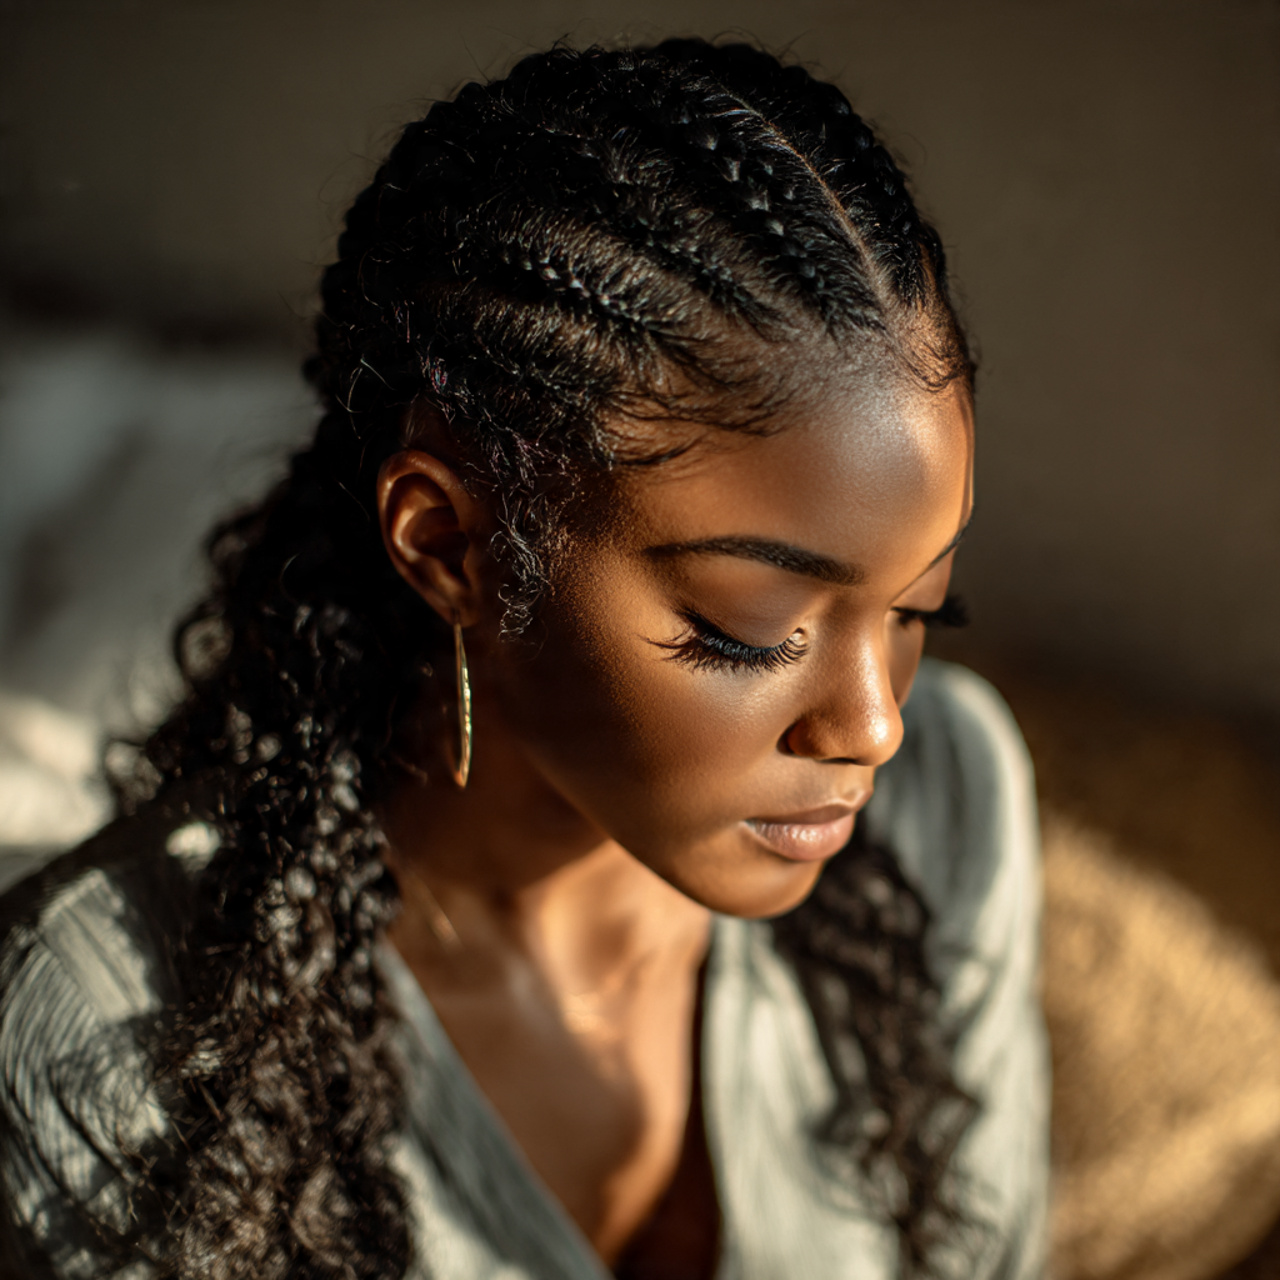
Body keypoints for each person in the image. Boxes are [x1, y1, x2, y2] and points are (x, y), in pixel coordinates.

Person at [0, 38, 1048, 1280]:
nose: (873, 723)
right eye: (755, 626)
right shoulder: (102, 1035)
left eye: (922, 606)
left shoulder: (944, 802)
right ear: (450, 544)